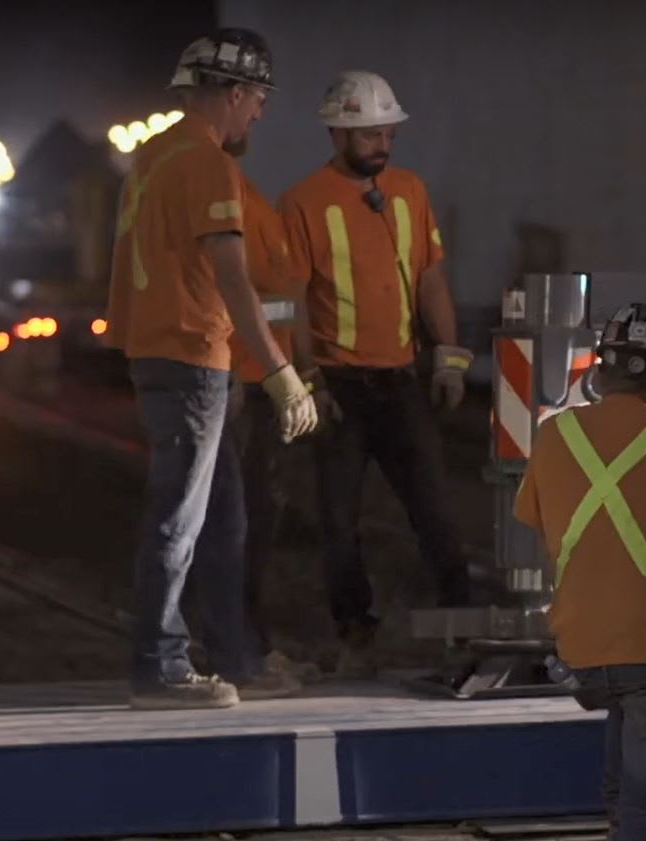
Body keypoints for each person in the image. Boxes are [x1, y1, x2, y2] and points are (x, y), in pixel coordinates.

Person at [102, 28, 318, 709]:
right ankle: (158, 666)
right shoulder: (205, 163)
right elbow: (230, 275)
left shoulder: (153, 156)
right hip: (190, 354)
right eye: (257, 99)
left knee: (221, 516)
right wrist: (283, 372)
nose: (259, 112)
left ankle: (234, 655)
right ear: (232, 93)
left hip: (171, 352)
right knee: (179, 514)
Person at [277, 70, 472, 676]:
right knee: (338, 522)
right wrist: (306, 377)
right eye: (369, 134)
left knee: (435, 510)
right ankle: (355, 633)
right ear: (337, 133)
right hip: (340, 387)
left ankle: (463, 632)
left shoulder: (410, 191)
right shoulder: (303, 202)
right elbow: (293, 297)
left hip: (399, 381)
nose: (382, 143)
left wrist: (451, 355)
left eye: (387, 132)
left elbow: (429, 276)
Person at [514, 303, 646, 841]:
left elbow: (537, 529)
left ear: (599, 372)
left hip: (582, 649)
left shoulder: (554, 436)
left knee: (624, 804)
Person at [224, 169, 313, 690]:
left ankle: (248, 646)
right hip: (244, 383)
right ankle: (242, 651)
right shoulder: (226, 197)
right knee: (241, 522)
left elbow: (282, 300)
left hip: (265, 382)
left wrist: (302, 373)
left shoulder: (255, 200)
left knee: (258, 517)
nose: (259, 113)